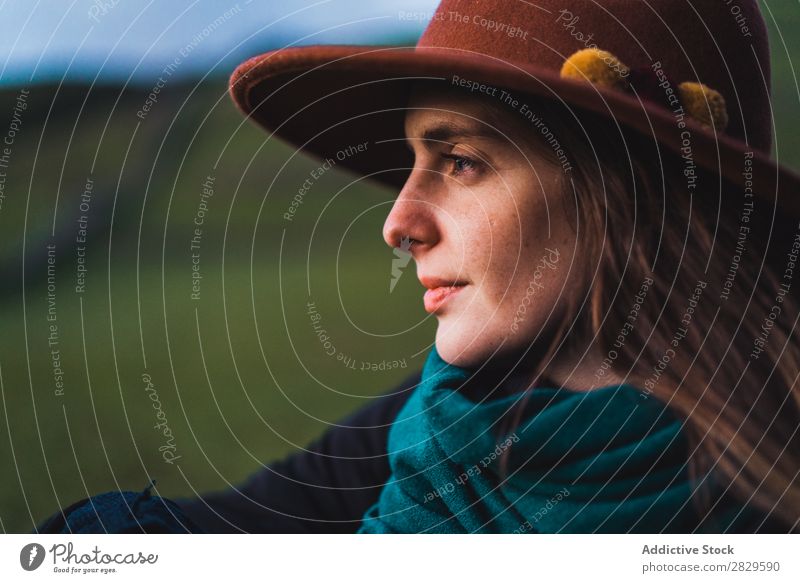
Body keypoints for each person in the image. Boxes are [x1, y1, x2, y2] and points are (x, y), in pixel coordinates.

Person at [38, 0, 800, 533]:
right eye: (412, 162)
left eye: (461, 161)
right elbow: (239, 524)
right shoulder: (456, 409)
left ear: (629, 192)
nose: (397, 225)